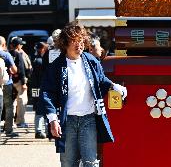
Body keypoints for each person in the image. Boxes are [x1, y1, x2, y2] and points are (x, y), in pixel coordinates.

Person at [39, 21, 127, 166]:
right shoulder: (56, 66)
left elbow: (101, 80)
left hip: (89, 119)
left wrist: (114, 86)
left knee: (91, 162)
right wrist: (53, 119)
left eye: (81, 41)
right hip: (66, 121)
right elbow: (47, 92)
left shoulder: (91, 60)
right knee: (68, 162)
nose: (79, 45)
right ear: (65, 43)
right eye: (74, 41)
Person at [0, 36, 18, 137]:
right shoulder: (6, 55)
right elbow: (14, 69)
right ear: (3, 44)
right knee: (8, 107)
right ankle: (8, 130)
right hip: (6, 84)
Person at [10, 37, 29, 128]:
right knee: (22, 100)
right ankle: (20, 121)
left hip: (9, 81)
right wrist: (24, 83)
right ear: (18, 46)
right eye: (20, 44)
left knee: (11, 102)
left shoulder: (7, 54)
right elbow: (21, 69)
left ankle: (10, 122)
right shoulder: (18, 54)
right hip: (19, 82)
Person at [31, 42, 48, 139]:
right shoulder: (41, 61)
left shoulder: (36, 60)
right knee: (43, 109)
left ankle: (39, 130)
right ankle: (42, 130)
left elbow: (33, 78)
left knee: (38, 108)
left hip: (36, 87)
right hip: (42, 88)